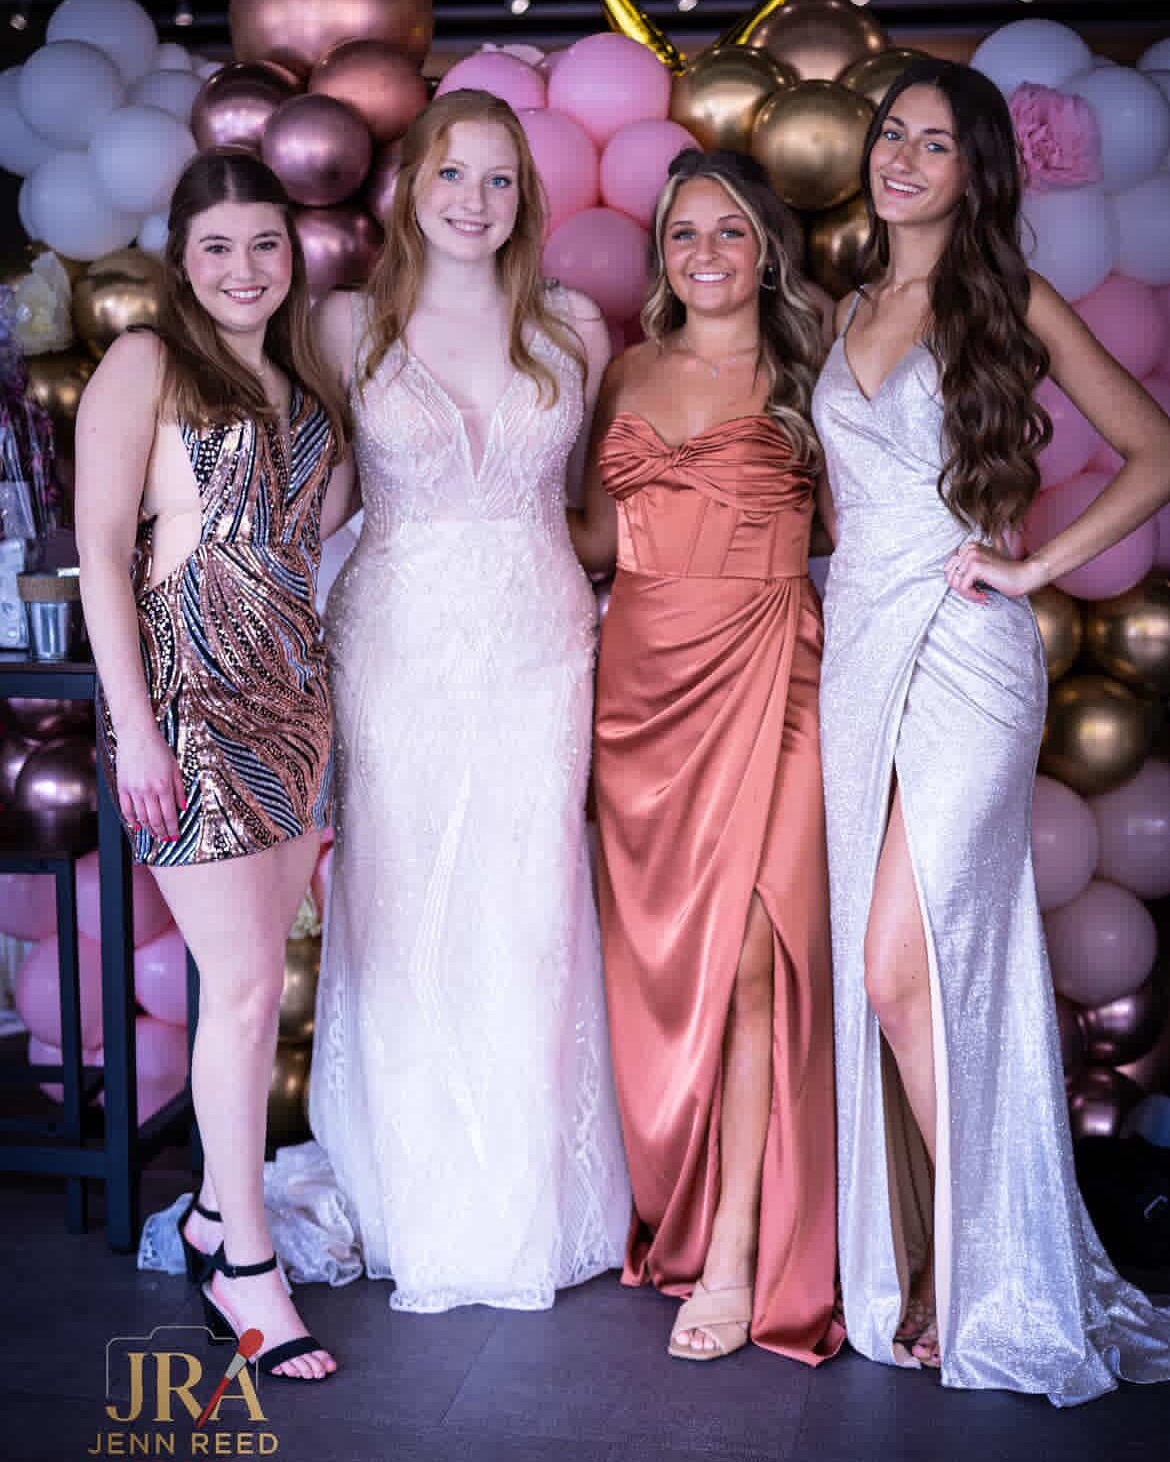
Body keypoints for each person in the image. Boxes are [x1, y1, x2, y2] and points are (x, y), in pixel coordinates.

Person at [814, 57, 1170, 1402]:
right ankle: (928, 1252)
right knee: (892, 970)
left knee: (907, 967)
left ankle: (981, 1270)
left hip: (965, 652)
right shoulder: (848, 306)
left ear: (975, 172)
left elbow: (1152, 447)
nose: (901, 157)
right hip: (857, 651)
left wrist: (1027, 567)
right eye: (888, 134)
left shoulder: (1006, 297)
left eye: (934, 143)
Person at [309, 89, 630, 1313]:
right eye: (453, 174)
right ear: (411, 187)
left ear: (526, 200)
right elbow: (323, 496)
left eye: (500, 180)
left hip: (541, 640)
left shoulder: (573, 325)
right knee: (403, 906)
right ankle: (415, 1194)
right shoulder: (347, 324)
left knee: (527, 898)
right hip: (394, 645)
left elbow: (596, 506)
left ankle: (535, 1194)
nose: (474, 201)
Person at [75, 150, 353, 1381]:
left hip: (296, 698)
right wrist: (133, 727)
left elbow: (321, 530)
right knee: (241, 989)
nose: (246, 269)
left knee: (263, 976)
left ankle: (206, 1217)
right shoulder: (145, 363)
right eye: (219, 247)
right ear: (182, 259)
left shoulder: (300, 375)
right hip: (190, 701)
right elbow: (99, 552)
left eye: (267, 245)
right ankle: (243, 1264)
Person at [572, 149, 844, 1365]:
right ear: (661, 254)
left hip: (771, 670)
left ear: (767, 248)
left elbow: (876, 514)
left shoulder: (813, 366)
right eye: (685, 233)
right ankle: (674, 1199)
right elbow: (586, 531)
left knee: (750, 959)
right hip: (637, 694)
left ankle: (733, 1249)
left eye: (731, 231)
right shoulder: (626, 368)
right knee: (654, 967)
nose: (708, 254)